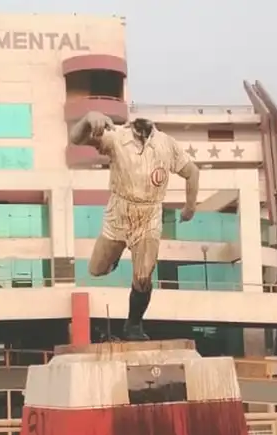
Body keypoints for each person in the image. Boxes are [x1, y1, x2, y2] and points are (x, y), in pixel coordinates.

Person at [69, 112, 200, 341]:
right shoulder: (117, 137)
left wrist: (190, 206)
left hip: (149, 215)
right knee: (96, 269)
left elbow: (192, 172)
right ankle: (114, 257)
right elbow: (76, 138)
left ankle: (134, 324)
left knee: (143, 276)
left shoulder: (166, 144)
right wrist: (88, 119)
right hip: (119, 211)